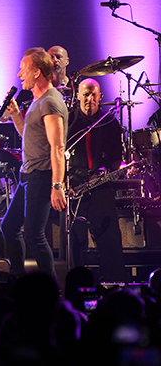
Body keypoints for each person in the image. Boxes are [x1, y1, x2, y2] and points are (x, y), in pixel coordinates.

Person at [1, 47, 67, 278]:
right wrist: (16, 116)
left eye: (23, 70)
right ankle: (18, 281)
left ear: (37, 72)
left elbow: (58, 147)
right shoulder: (38, 101)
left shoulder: (50, 103)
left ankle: (51, 289)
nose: (20, 75)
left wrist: (57, 185)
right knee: (9, 226)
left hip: (41, 175)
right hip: (27, 175)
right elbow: (31, 137)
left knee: (34, 235)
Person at [66, 78, 128, 282]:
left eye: (94, 95)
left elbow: (115, 159)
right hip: (74, 188)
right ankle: (73, 288)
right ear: (78, 96)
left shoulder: (110, 123)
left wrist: (110, 169)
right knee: (74, 241)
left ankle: (114, 285)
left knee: (110, 237)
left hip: (99, 186)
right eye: (85, 94)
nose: (90, 99)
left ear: (100, 97)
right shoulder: (67, 121)